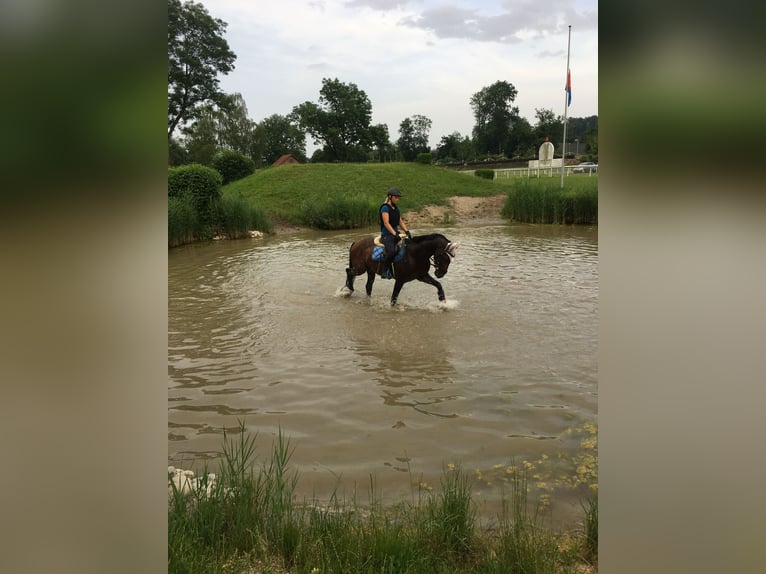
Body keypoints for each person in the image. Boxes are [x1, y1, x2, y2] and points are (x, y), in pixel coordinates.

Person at [379, 187, 412, 279]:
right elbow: (386, 223)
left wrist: (407, 231)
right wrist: (395, 234)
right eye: (396, 197)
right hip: (387, 235)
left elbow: (400, 222)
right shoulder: (385, 208)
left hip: (395, 233)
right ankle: (384, 270)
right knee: (392, 251)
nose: (398, 199)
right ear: (390, 197)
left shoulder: (396, 209)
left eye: (398, 197)